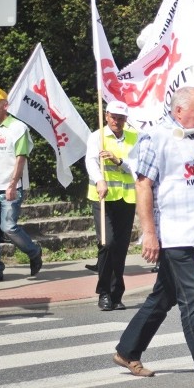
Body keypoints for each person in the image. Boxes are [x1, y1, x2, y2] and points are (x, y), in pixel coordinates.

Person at [113, 86, 194, 388]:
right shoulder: (157, 137)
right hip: (173, 232)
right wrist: (149, 234)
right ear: (179, 111)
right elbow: (143, 185)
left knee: (163, 295)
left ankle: (127, 350)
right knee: (191, 299)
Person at [0, 88, 43, 282]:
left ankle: (34, 252)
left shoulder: (18, 127)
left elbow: (21, 157)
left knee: (8, 226)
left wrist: (13, 184)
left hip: (10, 186)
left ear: (4, 105)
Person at [85, 100, 138, 311]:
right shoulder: (97, 136)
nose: (117, 121)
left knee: (121, 247)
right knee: (107, 243)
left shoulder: (135, 138)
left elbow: (136, 167)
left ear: (126, 119)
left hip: (127, 198)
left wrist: (118, 161)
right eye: (114, 117)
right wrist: (99, 179)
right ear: (106, 116)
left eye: (121, 117)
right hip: (103, 197)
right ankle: (104, 292)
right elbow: (90, 161)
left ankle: (117, 294)